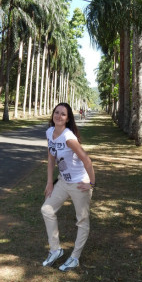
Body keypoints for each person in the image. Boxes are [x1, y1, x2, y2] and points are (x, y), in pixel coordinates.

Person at [41, 102, 95, 271]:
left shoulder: (68, 137)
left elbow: (87, 160)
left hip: (79, 183)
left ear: (68, 118)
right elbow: (51, 159)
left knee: (82, 220)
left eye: (63, 114)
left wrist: (91, 183)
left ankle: (75, 258)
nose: (59, 116)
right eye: (56, 112)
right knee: (46, 209)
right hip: (63, 181)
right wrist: (50, 183)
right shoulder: (50, 133)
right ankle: (55, 250)